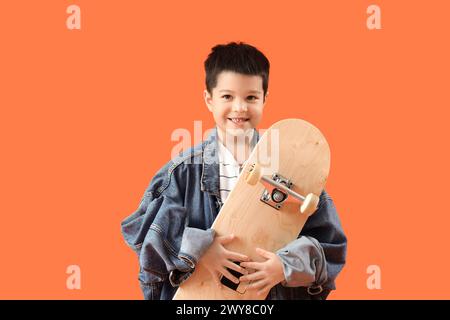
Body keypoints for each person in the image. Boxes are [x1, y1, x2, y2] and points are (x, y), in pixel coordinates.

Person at [121, 42, 347, 300]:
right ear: (209, 99)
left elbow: (331, 246)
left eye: (251, 97)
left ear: (265, 98)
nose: (240, 108)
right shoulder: (184, 171)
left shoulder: (292, 168)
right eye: (227, 96)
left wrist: (284, 267)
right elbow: (141, 228)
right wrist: (199, 249)